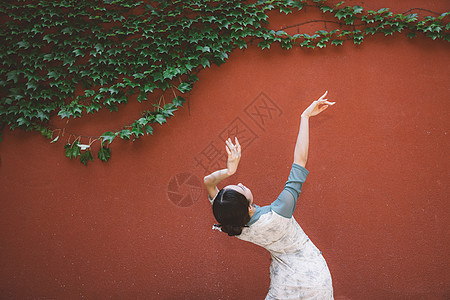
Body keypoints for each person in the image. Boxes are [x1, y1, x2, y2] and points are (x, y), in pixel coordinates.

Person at [203, 91, 335, 299]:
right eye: (239, 187)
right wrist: (305, 117)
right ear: (248, 206)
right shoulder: (279, 212)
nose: (239, 182)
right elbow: (300, 160)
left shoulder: (234, 225)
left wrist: (228, 171)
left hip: (283, 282)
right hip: (314, 277)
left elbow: (208, 182)